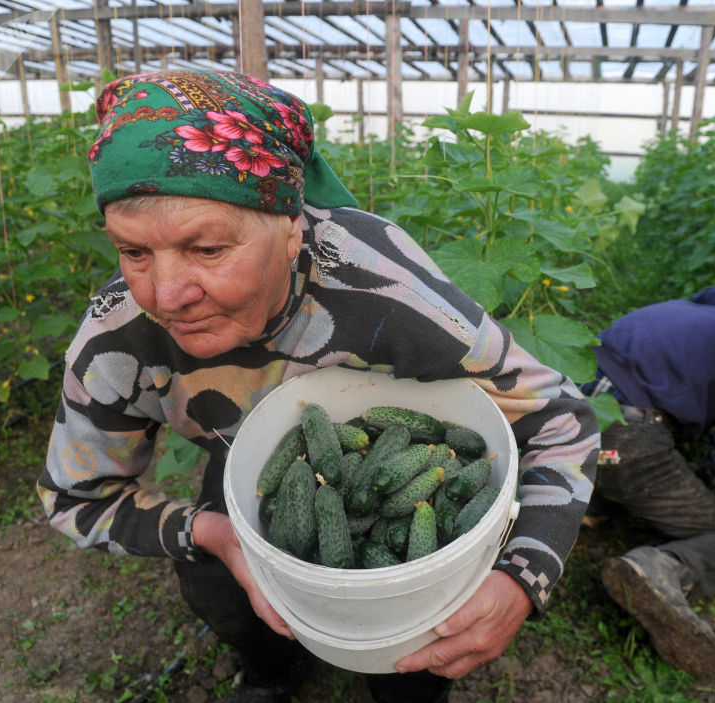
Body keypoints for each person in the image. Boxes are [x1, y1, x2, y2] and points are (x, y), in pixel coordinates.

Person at [36, 69, 599, 703]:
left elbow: (560, 421)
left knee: (415, 644)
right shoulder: (117, 338)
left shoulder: (387, 293)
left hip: (369, 441)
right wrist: (217, 533)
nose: (167, 295)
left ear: (292, 229)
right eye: (134, 253)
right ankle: (272, 669)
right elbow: (73, 498)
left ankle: (402, 686)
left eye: (209, 249)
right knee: (216, 583)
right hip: (246, 447)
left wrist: (522, 579)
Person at [580, 266, 715, 679]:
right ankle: (658, 569)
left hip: (559, 427)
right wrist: (700, 487)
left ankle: (588, 500)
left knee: (622, 464)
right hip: (627, 443)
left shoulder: (670, 311)